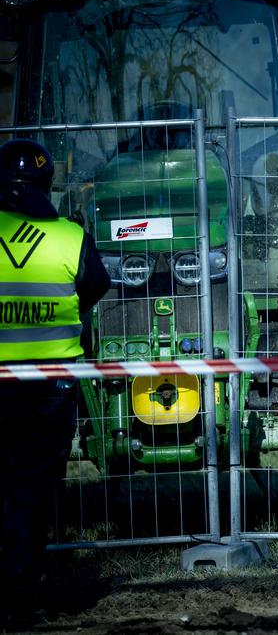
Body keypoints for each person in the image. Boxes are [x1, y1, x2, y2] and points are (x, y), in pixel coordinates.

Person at [0, 139, 111, 626]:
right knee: (31, 492)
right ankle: (20, 600)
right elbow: (96, 286)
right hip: (51, 388)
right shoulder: (70, 236)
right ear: (49, 185)